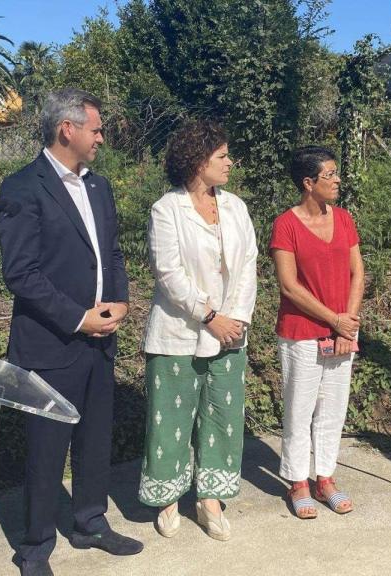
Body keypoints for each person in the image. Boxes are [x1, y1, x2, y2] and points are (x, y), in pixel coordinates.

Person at [0, 88, 141, 576]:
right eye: (96, 129)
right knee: (46, 448)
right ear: (68, 130)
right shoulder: (22, 187)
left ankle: (89, 522)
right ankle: (35, 546)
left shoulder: (98, 186)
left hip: (101, 337)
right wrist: (78, 317)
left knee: (95, 437)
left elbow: (112, 253)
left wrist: (119, 301)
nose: (102, 137)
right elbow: (20, 273)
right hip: (52, 340)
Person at [138, 119, 257, 541]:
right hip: (179, 332)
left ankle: (210, 499)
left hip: (230, 333)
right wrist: (210, 317)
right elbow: (168, 274)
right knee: (170, 417)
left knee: (223, 417)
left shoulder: (235, 207)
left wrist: (236, 318)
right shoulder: (166, 209)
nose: (230, 162)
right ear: (197, 161)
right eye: (222, 156)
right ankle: (168, 496)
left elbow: (247, 266)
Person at [271, 146, 364, 519]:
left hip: (342, 331)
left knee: (333, 408)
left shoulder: (344, 219)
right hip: (302, 333)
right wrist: (334, 319)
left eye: (336, 173)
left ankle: (325, 477)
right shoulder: (286, 225)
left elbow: (358, 272)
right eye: (329, 174)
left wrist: (348, 321)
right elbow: (289, 286)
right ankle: (298, 482)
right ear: (308, 183)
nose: (337, 180)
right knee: (299, 408)